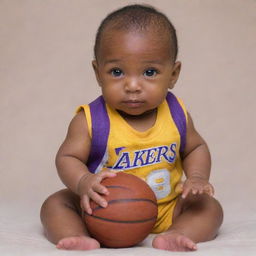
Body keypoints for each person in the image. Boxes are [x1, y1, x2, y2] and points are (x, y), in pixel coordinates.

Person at [40, 4, 223, 252]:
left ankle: (177, 233)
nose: (133, 85)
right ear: (98, 73)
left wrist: (198, 177)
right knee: (55, 203)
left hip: (167, 208)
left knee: (209, 207)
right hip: (101, 212)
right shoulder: (91, 120)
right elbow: (67, 156)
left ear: (173, 74)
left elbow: (195, 147)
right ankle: (78, 235)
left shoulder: (177, 114)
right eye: (117, 72)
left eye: (150, 72)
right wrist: (84, 181)